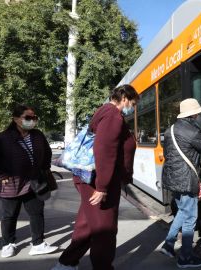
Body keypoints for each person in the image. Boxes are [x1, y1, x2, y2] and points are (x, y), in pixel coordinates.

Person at [52, 84, 139, 270]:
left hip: (92, 179)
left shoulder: (106, 112)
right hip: (97, 181)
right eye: (133, 102)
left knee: (86, 225)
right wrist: (102, 187)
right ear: (124, 98)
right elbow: (105, 151)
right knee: (104, 230)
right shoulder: (113, 115)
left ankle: (66, 263)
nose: (134, 107)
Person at [0, 105, 58, 258]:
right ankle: (8, 244)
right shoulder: (3, 138)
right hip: (11, 185)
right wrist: (0, 175)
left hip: (34, 183)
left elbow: (47, 152)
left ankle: (38, 244)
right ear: (16, 119)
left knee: (37, 213)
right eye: (28, 118)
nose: (32, 121)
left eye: (34, 118)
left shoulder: (37, 135)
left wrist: (45, 168)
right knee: (10, 215)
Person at [160, 98, 201, 268]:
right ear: (194, 115)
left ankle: (169, 245)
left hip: (172, 179)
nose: (200, 117)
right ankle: (185, 257)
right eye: (199, 114)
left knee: (182, 212)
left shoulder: (169, 130)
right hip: (186, 181)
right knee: (190, 218)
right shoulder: (193, 131)